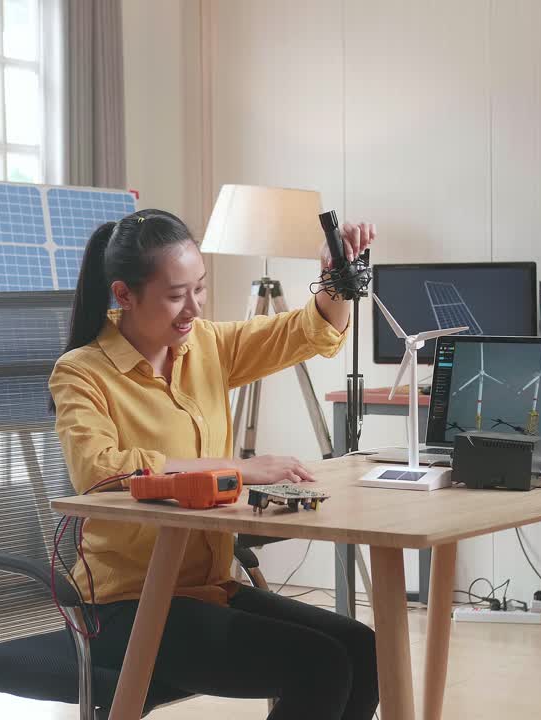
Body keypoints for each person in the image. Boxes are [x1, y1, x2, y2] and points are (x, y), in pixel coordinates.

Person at [49, 208, 378, 719]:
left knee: (362, 648)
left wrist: (335, 275)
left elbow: (306, 331)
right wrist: (238, 468)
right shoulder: (81, 372)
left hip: (210, 591)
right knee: (320, 664)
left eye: (199, 288)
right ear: (124, 295)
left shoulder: (205, 345)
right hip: (123, 607)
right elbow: (99, 470)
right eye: (175, 295)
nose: (193, 308)